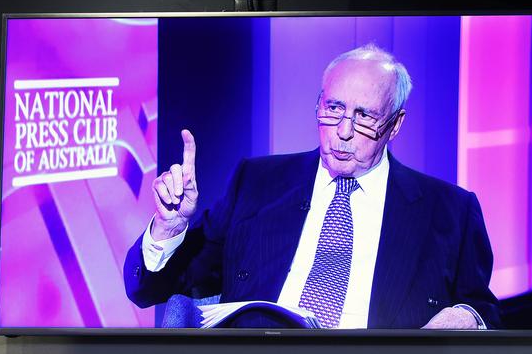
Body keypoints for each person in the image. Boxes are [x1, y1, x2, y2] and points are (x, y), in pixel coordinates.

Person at [124, 43, 500, 329]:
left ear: (396, 124)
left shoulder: (450, 210)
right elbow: (153, 290)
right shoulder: (257, 183)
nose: (344, 131)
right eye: (333, 108)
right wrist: (170, 228)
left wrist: (468, 317)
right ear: (318, 102)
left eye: (365, 116)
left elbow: (482, 308)